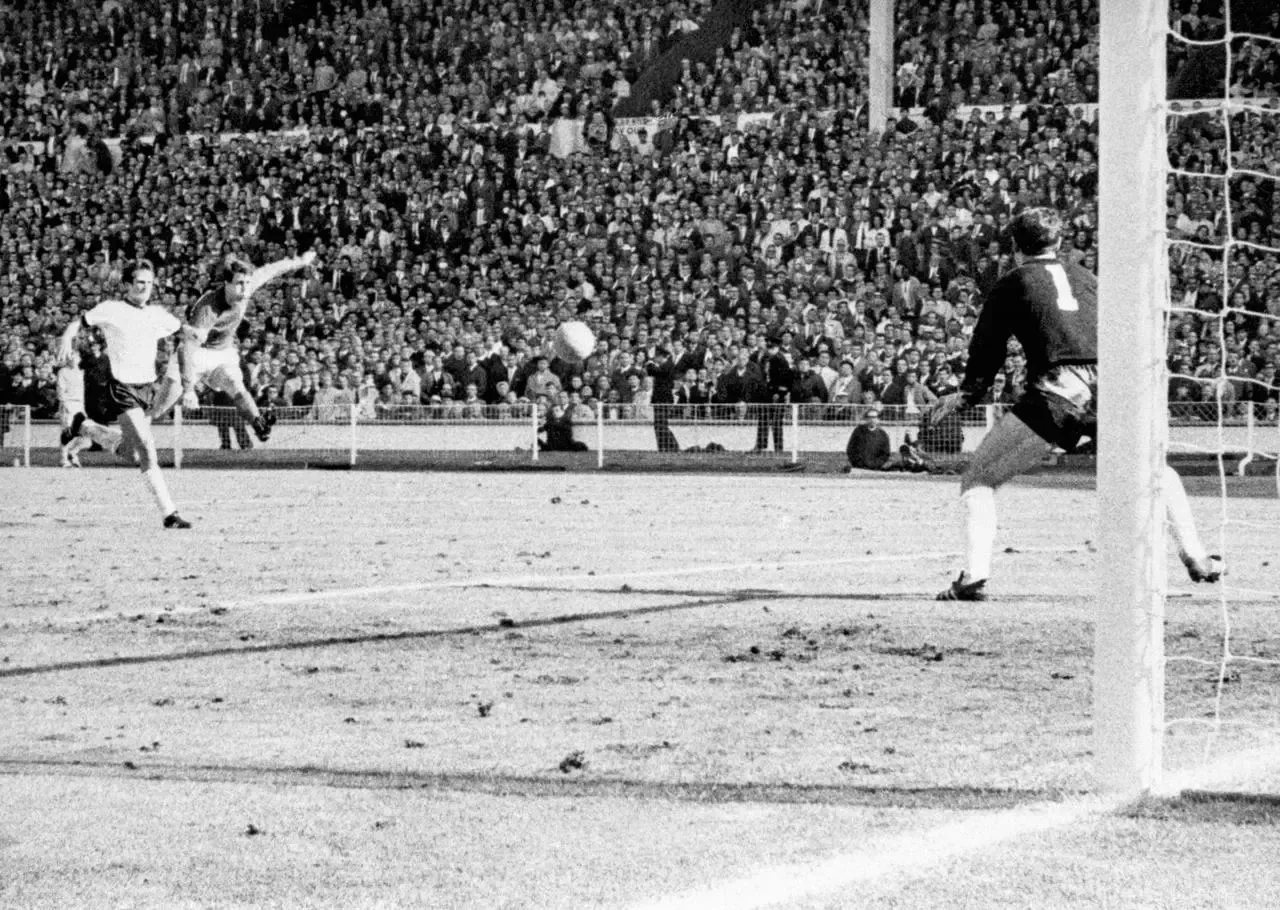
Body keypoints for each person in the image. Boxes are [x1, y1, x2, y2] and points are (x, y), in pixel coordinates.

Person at [928, 208, 1221, 601]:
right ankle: (1197, 556)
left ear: (1014, 248)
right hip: (1118, 384)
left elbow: (988, 346)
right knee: (1151, 470)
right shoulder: (1087, 277)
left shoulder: (1011, 283)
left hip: (1060, 388)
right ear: (1060, 242)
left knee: (979, 479)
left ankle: (974, 576)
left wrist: (968, 393)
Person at [56, 259, 191, 528]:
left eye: (150, 283)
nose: (145, 287)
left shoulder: (157, 314)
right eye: (140, 282)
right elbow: (78, 323)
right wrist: (66, 338)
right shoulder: (112, 309)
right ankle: (169, 513)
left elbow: (183, 330)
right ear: (127, 284)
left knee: (134, 454)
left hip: (148, 389)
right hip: (122, 389)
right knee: (147, 447)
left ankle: (86, 427)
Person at [151, 251, 316, 442]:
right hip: (196, 354)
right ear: (226, 284)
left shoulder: (246, 287)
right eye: (239, 283)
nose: (245, 288)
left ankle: (258, 423)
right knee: (158, 411)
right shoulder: (208, 309)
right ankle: (124, 438)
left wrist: (300, 261)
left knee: (235, 383)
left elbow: (272, 270)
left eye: (246, 283)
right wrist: (188, 389)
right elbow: (187, 349)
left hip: (223, 352)